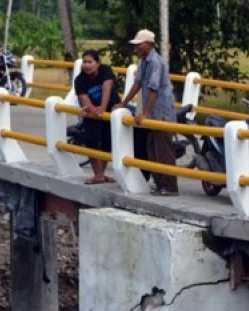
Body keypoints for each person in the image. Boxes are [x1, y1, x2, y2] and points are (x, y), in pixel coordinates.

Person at [114, 29, 178, 196]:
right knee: (152, 149)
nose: (135, 48)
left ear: (148, 45)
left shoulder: (156, 62)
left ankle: (170, 187)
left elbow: (152, 89)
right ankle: (159, 184)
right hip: (152, 114)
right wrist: (123, 103)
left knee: (163, 151)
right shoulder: (144, 61)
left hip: (161, 114)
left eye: (138, 45)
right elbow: (137, 84)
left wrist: (145, 112)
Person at [74, 49, 121, 185]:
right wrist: (95, 110)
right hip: (93, 114)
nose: (87, 65)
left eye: (90, 62)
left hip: (111, 109)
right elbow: (85, 101)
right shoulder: (80, 80)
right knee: (91, 141)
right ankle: (98, 175)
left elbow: (107, 87)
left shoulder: (105, 70)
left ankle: (101, 174)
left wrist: (102, 107)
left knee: (108, 142)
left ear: (97, 63)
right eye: (84, 62)